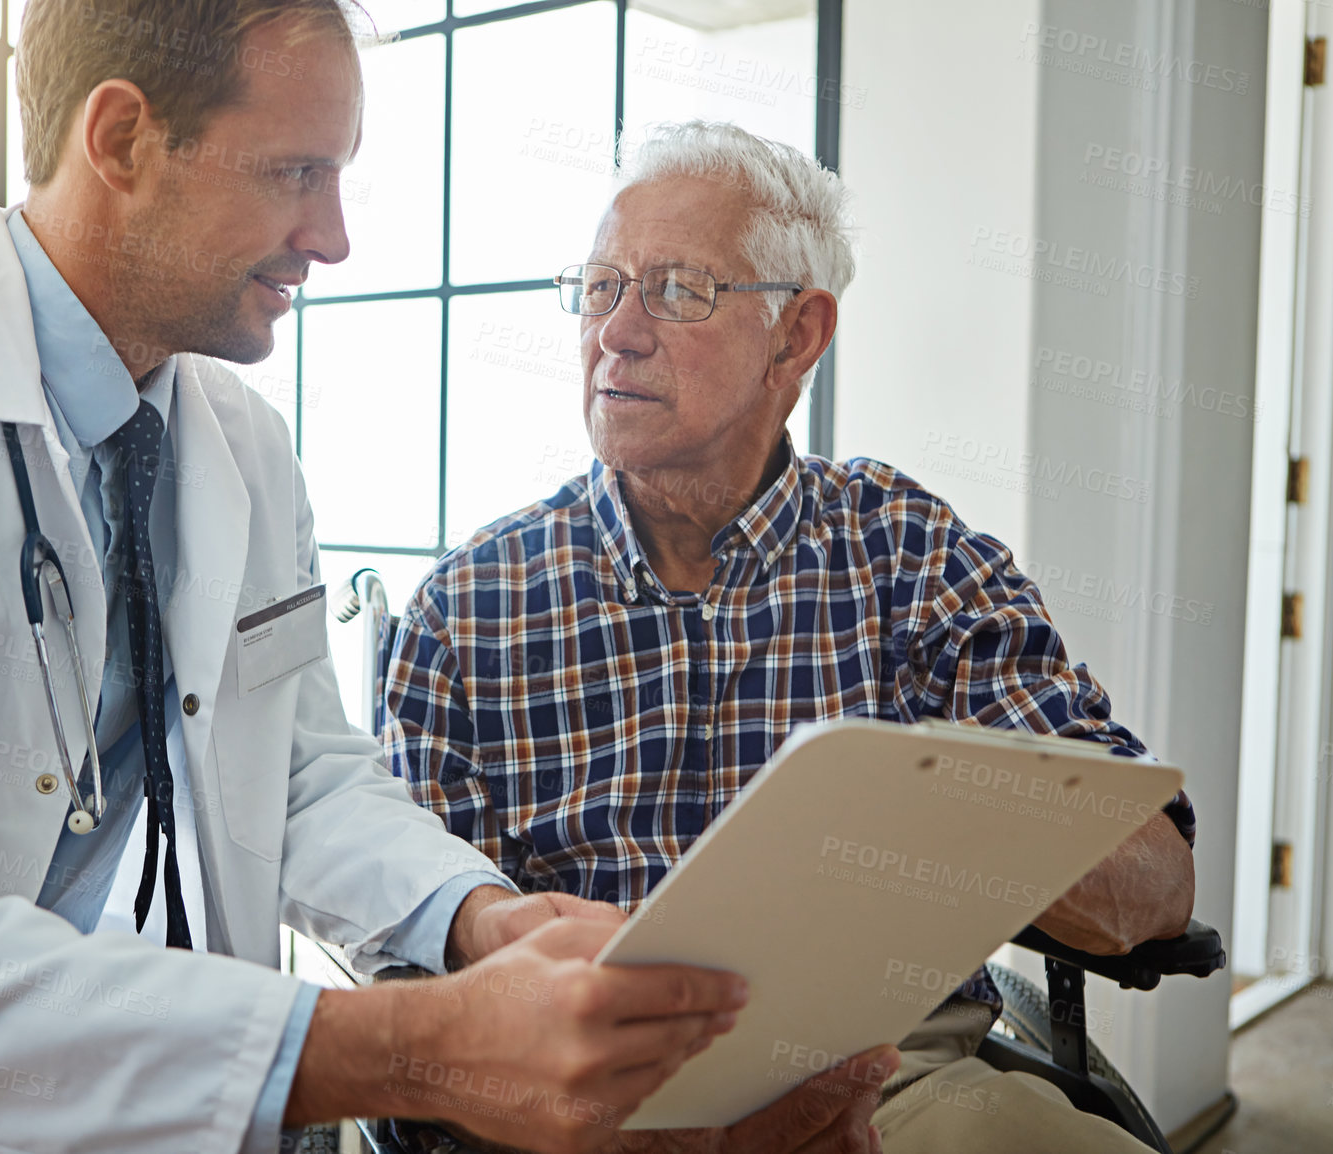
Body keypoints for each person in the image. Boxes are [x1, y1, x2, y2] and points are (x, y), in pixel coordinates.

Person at [0, 10, 871, 1154]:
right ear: (123, 140)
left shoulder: (236, 443)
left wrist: (478, 914)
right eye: (295, 172)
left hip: (36, 1097)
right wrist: (410, 1045)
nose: (334, 236)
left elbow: (297, 771)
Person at [383, 120, 1198, 1154]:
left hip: (890, 1074)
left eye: (679, 289)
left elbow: (1154, 888)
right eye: (599, 286)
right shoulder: (470, 605)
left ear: (797, 334)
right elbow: (415, 975)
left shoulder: (907, 553)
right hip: (585, 1106)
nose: (616, 332)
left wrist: (951, 821)